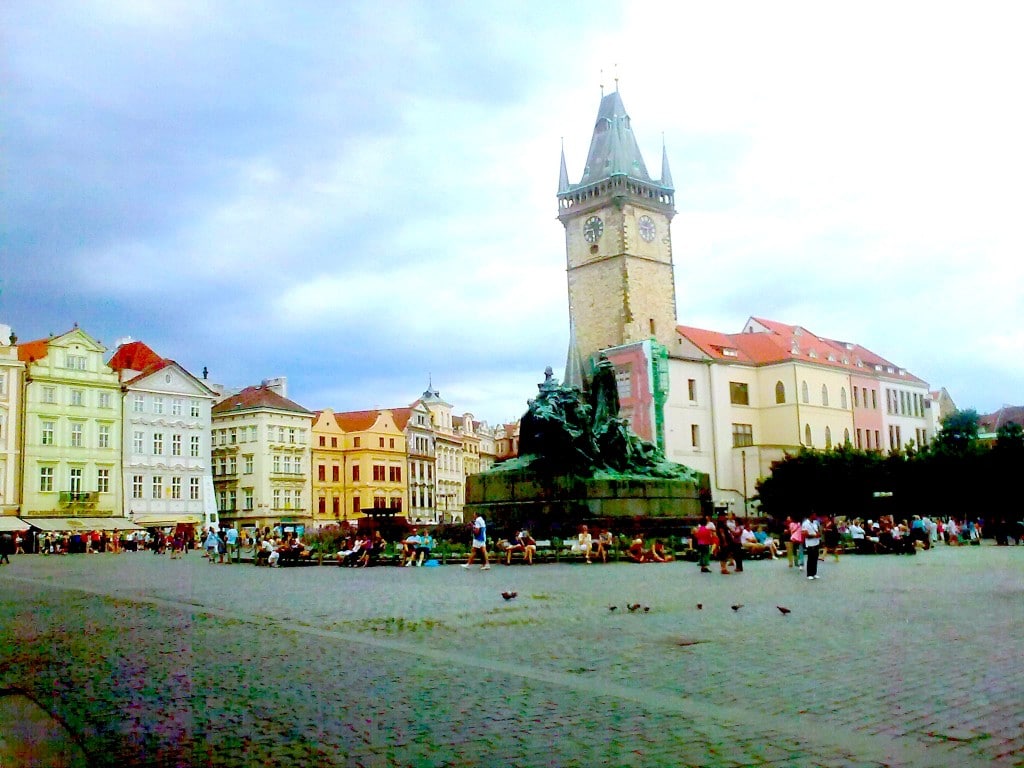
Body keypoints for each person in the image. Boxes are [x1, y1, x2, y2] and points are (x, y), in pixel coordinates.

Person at [802, 511, 821, 579]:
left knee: (815, 558)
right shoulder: (805, 524)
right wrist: (814, 536)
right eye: (814, 515)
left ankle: (814, 573)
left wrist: (818, 534)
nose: (815, 516)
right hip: (810, 544)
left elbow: (817, 531)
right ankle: (809, 574)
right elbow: (805, 535)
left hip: (816, 542)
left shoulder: (815, 523)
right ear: (811, 516)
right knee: (810, 559)